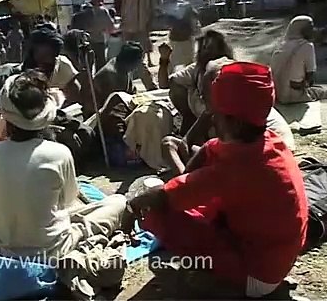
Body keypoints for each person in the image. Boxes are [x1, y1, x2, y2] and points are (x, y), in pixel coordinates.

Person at [127, 62, 308, 298]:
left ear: (234, 121)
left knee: (160, 214)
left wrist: (132, 205)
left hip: (257, 275)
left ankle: (214, 282)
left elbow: (166, 197)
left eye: (217, 115)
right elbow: (209, 152)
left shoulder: (237, 167)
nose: (212, 120)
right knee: (198, 203)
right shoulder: (268, 141)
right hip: (276, 258)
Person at [0, 70, 127, 260]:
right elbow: (68, 201)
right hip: (53, 251)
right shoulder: (58, 153)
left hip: (7, 251)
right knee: (118, 202)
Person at [164, 58, 296, 177]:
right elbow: (187, 142)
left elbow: (238, 157)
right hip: (242, 162)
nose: (201, 97)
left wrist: (191, 172)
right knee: (170, 144)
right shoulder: (228, 111)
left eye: (204, 92)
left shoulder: (242, 122)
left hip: (252, 166)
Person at [169, 30, 233, 135]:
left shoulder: (230, 70)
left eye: (210, 48)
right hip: (206, 114)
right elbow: (171, 81)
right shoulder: (197, 68)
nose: (207, 51)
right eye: (204, 47)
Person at [119, 0, 162, 89]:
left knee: (139, 56)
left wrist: (154, 14)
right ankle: (133, 87)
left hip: (142, 21)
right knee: (127, 56)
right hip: (127, 22)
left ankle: (150, 85)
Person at [271, 15, 327, 104]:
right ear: (303, 30)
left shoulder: (281, 45)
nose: (313, 30)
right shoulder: (307, 46)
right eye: (311, 27)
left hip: (277, 94)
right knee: (322, 92)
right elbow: (310, 78)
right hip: (295, 96)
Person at [22, 27, 81, 105]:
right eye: (39, 54)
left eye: (46, 55)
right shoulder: (27, 69)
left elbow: (74, 92)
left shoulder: (63, 64)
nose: (42, 60)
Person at [89, 41, 143, 115]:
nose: (137, 67)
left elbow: (131, 90)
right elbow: (113, 103)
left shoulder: (125, 67)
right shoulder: (110, 74)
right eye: (138, 63)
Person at [166, 0, 200, 74]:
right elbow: (195, 16)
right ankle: (190, 79)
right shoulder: (187, 5)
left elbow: (167, 22)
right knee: (189, 61)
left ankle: (168, 79)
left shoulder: (170, 6)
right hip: (186, 36)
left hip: (174, 36)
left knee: (172, 59)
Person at [81, 0, 115, 71]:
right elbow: (110, 26)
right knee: (101, 65)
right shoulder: (103, 11)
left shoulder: (84, 10)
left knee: (87, 65)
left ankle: (87, 81)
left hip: (86, 41)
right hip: (99, 40)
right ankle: (99, 82)